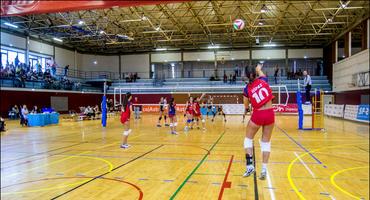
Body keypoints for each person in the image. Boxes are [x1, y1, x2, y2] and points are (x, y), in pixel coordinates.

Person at [242, 63, 275, 180]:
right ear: (256, 73)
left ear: (246, 75)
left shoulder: (247, 88)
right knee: (266, 142)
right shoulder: (264, 80)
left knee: (248, 139)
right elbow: (261, 73)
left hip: (258, 114)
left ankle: (249, 165)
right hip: (270, 114)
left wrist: (246, 110)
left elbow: (246, 105)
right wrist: (258, 68)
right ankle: (264, 169)